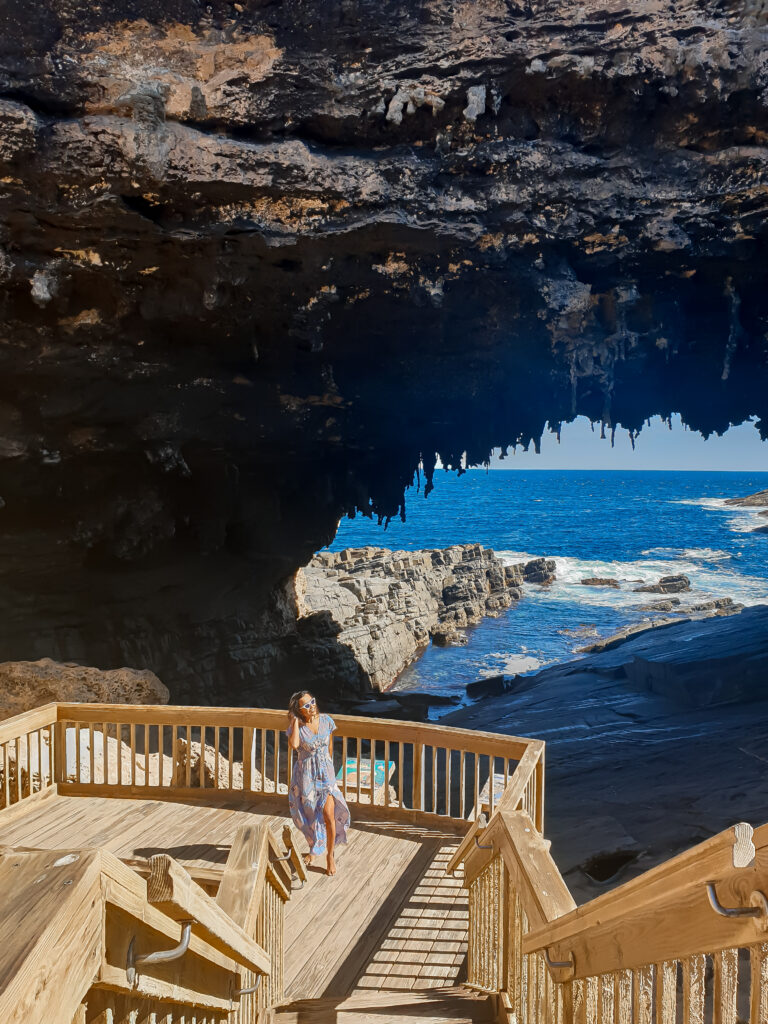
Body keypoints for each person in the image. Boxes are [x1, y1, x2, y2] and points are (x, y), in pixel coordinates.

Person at [286, 690, 350, 875]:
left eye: (312, 701)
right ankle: (315, 849)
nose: (311, 706)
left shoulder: (327, 721)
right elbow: (295, 745)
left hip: (325, 775)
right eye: (306, 705)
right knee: (311, 816)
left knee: (329, 815)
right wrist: (295, 722)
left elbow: (329, 747)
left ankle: (330, 856)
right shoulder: (297, 726)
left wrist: (329, 769)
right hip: (306, 776)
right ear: (299, 710)